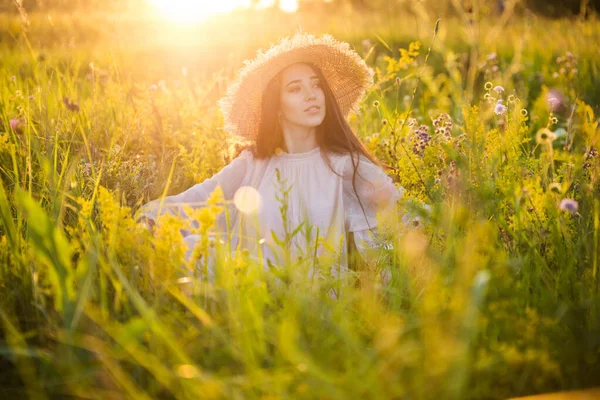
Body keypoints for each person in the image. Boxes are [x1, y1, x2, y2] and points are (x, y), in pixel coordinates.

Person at [136, 33, 405, 288]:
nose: (311, 95)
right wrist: (149, 221)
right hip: (254, 288)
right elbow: (198, 201)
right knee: (195, 246)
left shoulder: (344, 166)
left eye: (316, 85)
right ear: (276, 106)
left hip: (318, 300)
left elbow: (397, 222)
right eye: (295, 89)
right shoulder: (253, 163)